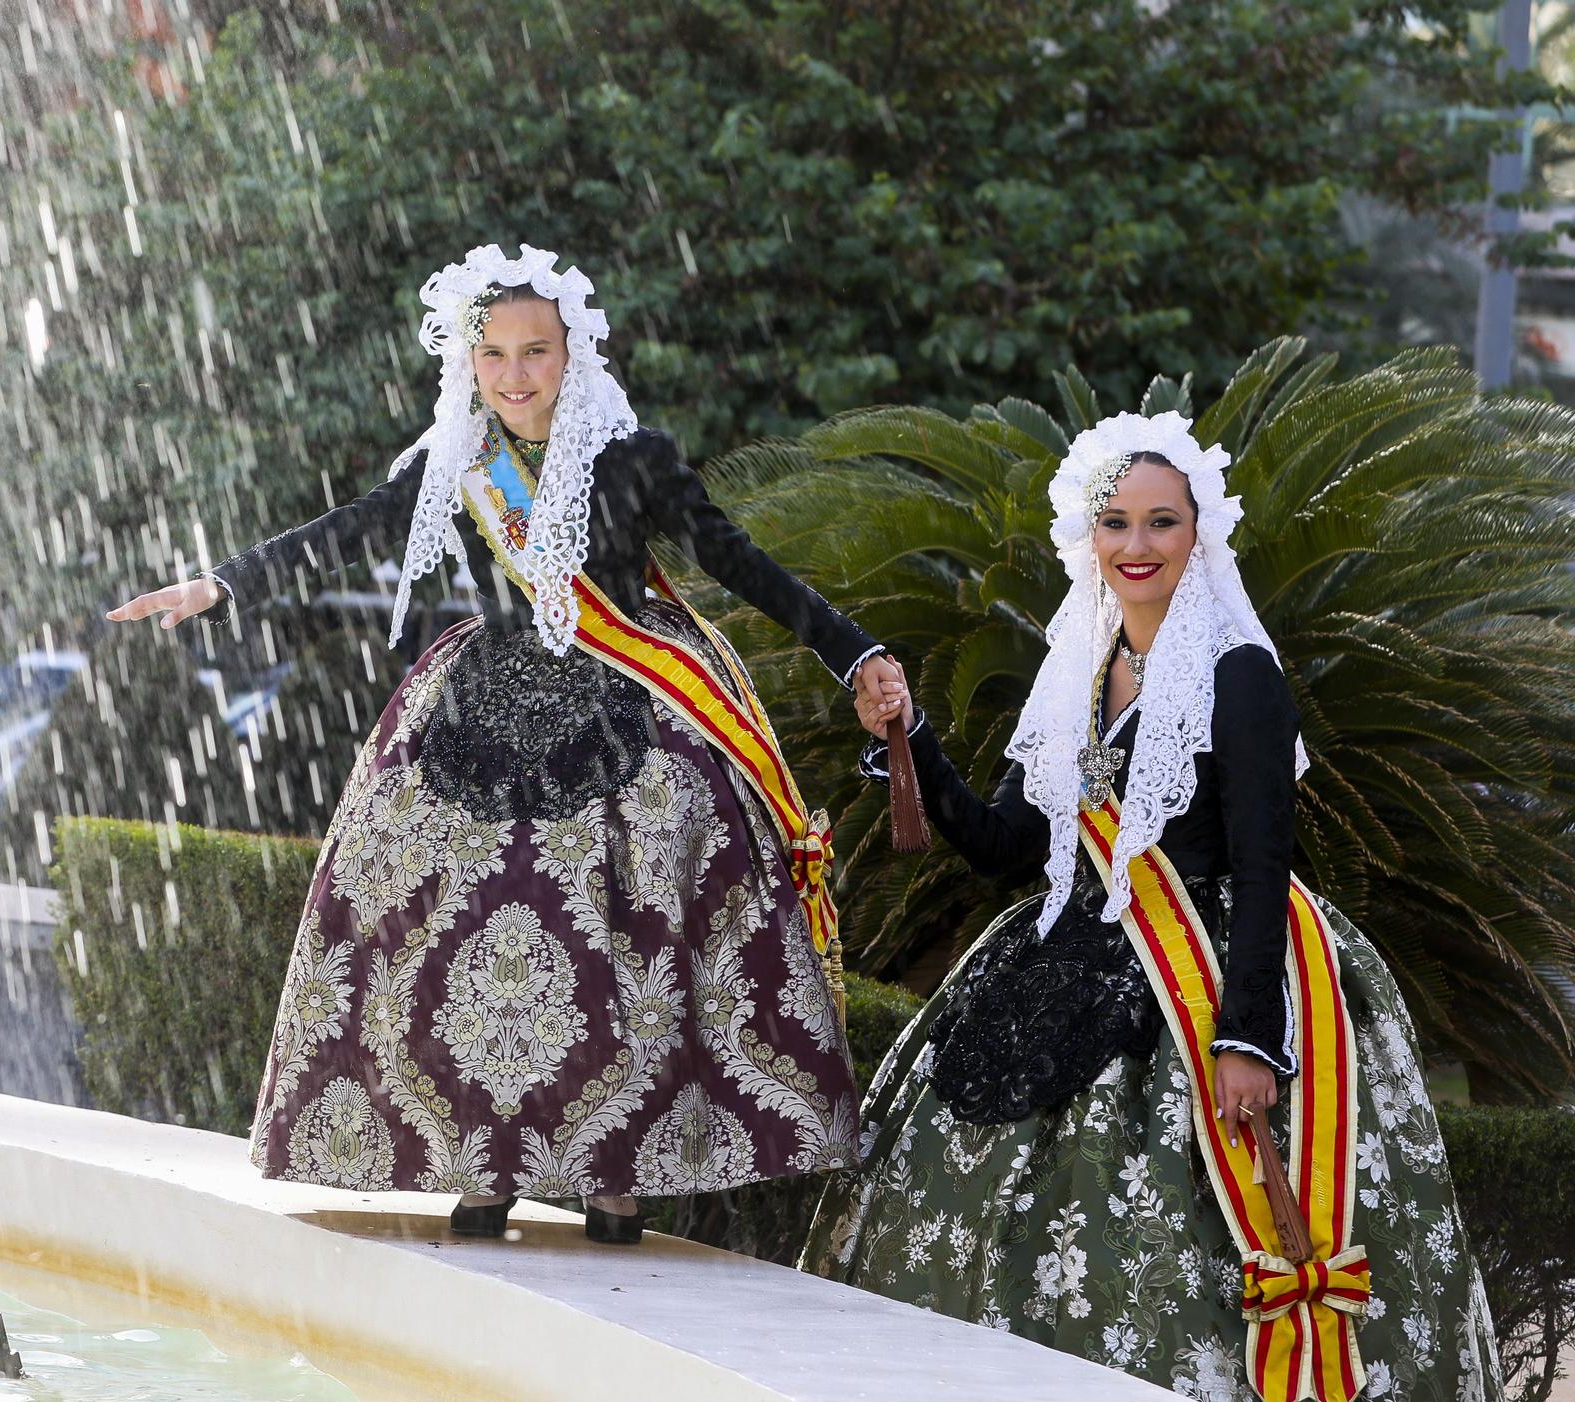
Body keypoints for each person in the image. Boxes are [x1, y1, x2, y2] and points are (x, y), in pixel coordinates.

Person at [110, 244, 892, 1244]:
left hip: (628, 702)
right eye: (494, 355)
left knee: (625, 928)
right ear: (466, 361)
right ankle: (481, 1162)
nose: (515, 375)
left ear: (572, 353)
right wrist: (221, 583)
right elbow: (347, 528)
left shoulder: (632, 457)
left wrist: (852, 649)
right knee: (442, 919)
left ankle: (617, 1177)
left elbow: (739, 564)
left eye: (534, 351)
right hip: (479, 703)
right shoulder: (457, 461)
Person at [805, 412, 1500, 1400]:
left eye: (1160, 523)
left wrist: (1248, 1040)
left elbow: (1264, 864)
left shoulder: (1238, 675)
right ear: (1085, 535)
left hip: (1207, 978)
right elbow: (1008, 847)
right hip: (1069, 963)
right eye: (1115, 521)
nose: (1135, 546)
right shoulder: (1072, 677)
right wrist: (912, 736)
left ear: (1196, 535)